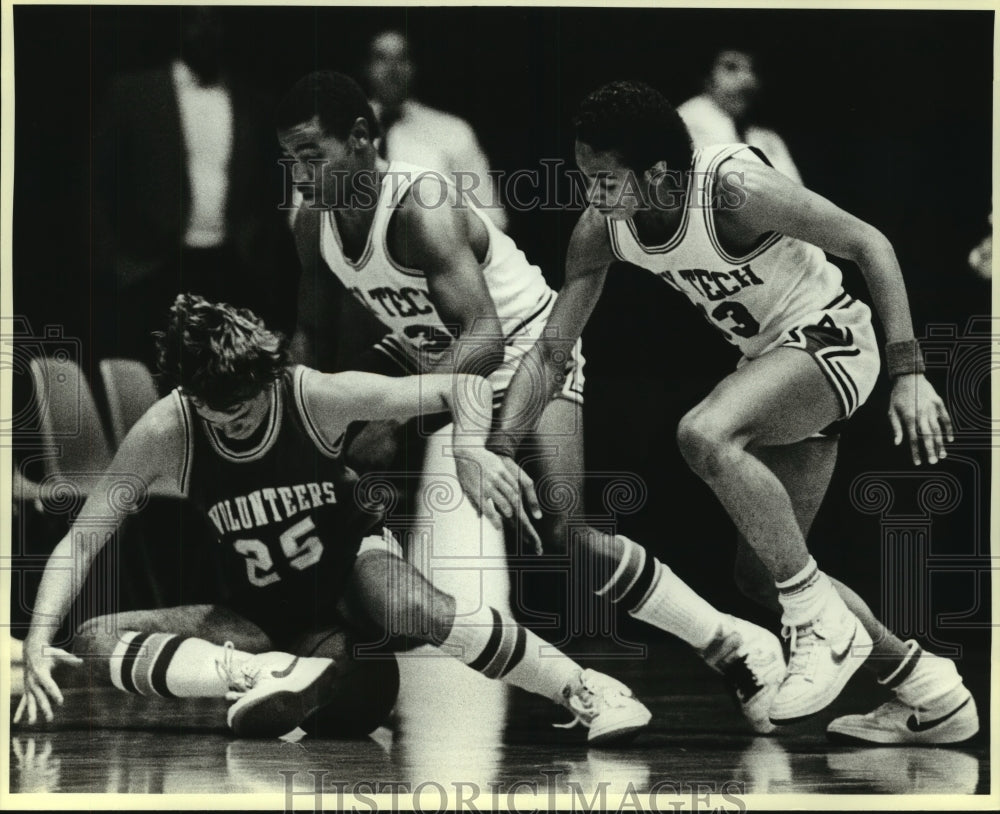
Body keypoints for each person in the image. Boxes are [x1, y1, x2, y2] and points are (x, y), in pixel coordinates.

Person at [276, 70, 787, 734]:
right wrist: (293, 413)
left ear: (363, 139)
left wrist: (416, 418)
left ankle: (730, 643)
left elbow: (485, 335)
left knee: (567, 535)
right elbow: (312, 334)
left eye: (311, 156)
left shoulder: (421, 205)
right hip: (435, 352)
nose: (300, 173)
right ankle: (338, 640)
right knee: (322, 460)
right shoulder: (309, 220)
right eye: (288, 159)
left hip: (524, 346)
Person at [490, 79, 979, 744]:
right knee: (761, 574)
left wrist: (910, 371)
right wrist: (495, 447)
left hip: (833, 337)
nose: (591, 193)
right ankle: (931, 690)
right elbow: (550, 352)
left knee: (704, 433)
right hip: (773, 365)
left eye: (604, 179)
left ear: (658, 174)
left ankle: (822, 629)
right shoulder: (601, 232)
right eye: (584, 176)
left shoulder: (733, 189)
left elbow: (871, 243)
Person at [13, 294, 651, 745]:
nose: (235, 423)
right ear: (188, 396)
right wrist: (39, 636)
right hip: (262, 617)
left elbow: (467, 387)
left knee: (406, 608)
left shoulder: (312, 393)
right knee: (91, 636)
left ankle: (581, 687)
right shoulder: (166, 430)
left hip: (349, 578)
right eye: (218, 414)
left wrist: (467, 450)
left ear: (267, 375)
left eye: (245, 409)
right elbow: (82, 540)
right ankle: (260, 675)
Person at [92, 7, 298, 370]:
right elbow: (98, 186)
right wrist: (117, 264)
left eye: (215, 21)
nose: (205, 31)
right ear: (179, 27)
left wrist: (261, 251)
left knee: (228, 382)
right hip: (153, 266)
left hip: (234, 267)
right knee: (153, 380)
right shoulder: (133, 93)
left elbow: (275, 187)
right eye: (195, 21)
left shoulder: (254, 101)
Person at [364, 29, 507, 231]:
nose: (392, 70)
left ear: (414, 67)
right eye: (381, 58)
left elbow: (493, 219)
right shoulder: (341, 131)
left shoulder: (453, 132)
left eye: (402, 58)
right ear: (366, 67)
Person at [677, 48, 801, 183]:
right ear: (707, 78)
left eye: (752, 69)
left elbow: (798, 191)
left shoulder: (766, 136)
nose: (747, 81)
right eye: (731, 68)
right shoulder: (690, 119)